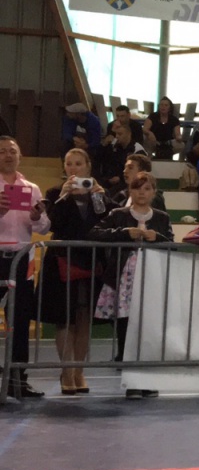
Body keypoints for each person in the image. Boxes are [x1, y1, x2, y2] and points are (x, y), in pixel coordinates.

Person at [87, 171, 173, 389]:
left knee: (149, 326)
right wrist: (124, 233)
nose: (142, 193)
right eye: (137, 188)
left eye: (147, 189)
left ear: (154, 192)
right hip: (124, 278)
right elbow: (95, 233)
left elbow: (172, 244)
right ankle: (131, 380)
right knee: (125, 324)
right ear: (130, 191)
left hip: (152, 277)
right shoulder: (118, 214)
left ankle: (148, 380)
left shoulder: (162, 217)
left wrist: (158, 237)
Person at [43, 148, 114, 395]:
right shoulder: (55, 193)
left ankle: (79, 371)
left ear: (88, 167)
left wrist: (102, 197)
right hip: (62, 261)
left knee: (84, 319)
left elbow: (110, 220)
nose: (73, 168)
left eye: (78, 164)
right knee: (65, 318)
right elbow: (52, 223)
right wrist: (64, 197)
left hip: (91, 261)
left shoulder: (98, 193)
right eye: (69, 164)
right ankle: (66, 371)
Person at [0, 136, 51, 398]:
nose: (8, 155)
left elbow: (44, 227)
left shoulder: (31, 188)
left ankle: (18, 380)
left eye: (12, 151)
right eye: (2, 151)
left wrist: (37, 216)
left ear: (20, 155)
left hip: (21, 260)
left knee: (20, 320)